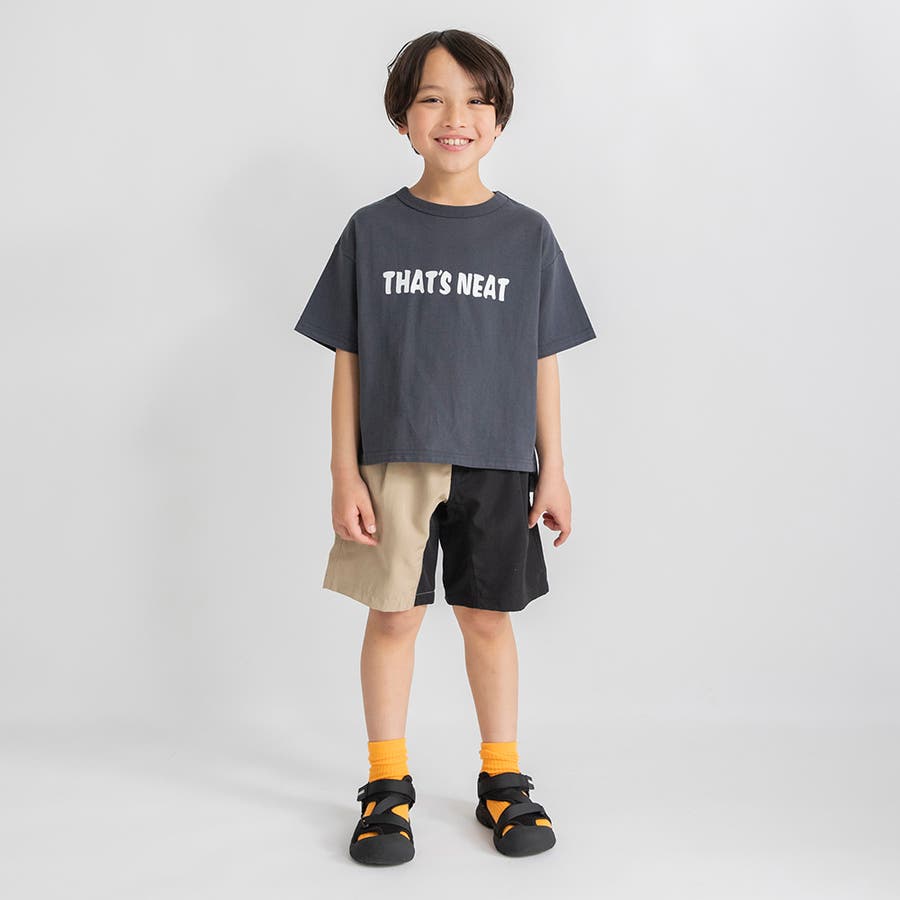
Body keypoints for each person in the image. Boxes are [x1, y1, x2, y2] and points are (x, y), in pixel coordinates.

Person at [294, 29, 596, 865]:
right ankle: (386, 785)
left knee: (487, 618)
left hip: (499, 457)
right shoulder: (372, 231)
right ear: (403, 117)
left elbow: (542, 359)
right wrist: (343, 471)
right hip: (395, 456)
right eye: (432, 98)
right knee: (394, 618)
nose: (455, 117)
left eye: (476, 101)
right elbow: (349, 359)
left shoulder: (526, 234)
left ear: (499, 119)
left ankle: (502, 777)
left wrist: (554, 469)